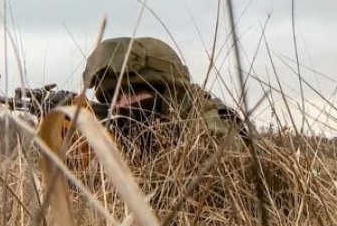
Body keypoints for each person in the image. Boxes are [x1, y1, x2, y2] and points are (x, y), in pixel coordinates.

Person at [82, 37, 245, 146]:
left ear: (170, 91)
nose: (123, 102)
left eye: (134, 92)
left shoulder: (211, 125)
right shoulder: (113, 124)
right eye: (113, 96)